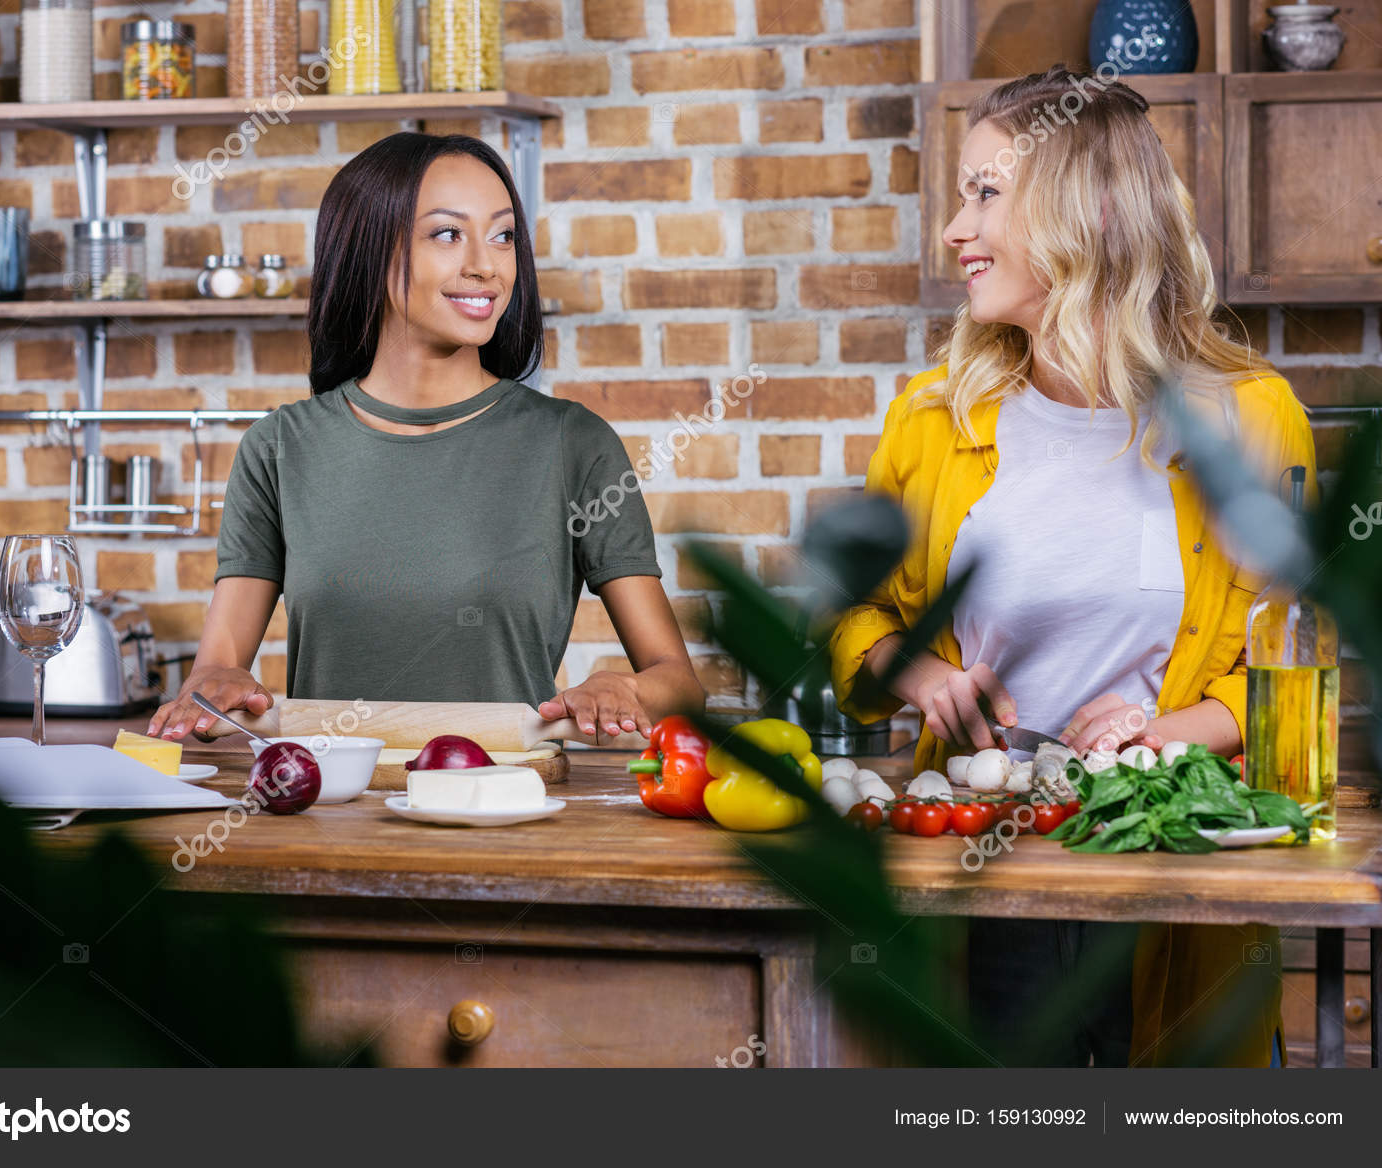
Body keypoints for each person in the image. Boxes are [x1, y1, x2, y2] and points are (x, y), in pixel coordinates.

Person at [829, 67, 1315, 1067]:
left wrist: (1156, 738)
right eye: (960, 196)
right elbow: (851, 621)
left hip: (1174, 874)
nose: (955, 230)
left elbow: (1289, 669)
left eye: (985, 192)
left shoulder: (1250, 418)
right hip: (978, 871)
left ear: (1085, 209)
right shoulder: (933, 417)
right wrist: (925, 677)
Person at [150, 133, 703, 743]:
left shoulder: (574, 444)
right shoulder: (280, 448)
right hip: (326, 810)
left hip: (505, 811)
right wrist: (217, 690)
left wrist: (622, 687)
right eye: (447, 233)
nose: (487, 265)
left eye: (502, 235)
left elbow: (676, 681)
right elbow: (216, 672)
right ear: (369, 251)